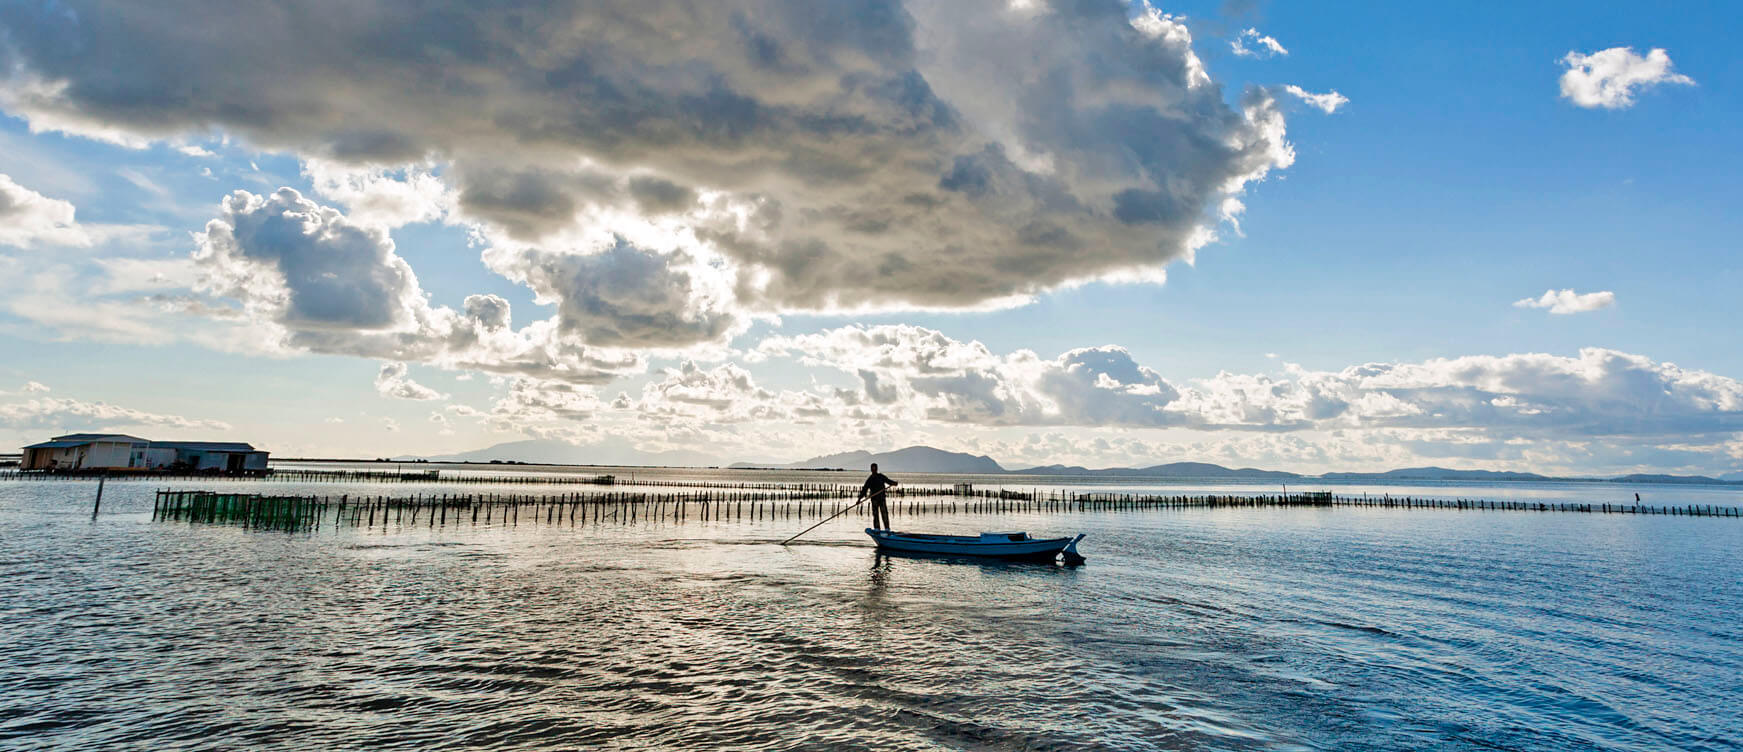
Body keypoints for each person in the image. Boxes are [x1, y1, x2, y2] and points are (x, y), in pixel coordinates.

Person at [858, 463, 898, 531]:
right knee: (875, 514)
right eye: (873, 469)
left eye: (875, 469)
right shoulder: (870, 479)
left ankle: (887, 528)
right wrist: (859, 499)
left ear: (877, 469)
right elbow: (864, 489)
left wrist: (894, 483)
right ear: (871, 470)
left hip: (882, 498)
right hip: (874, 499)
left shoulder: (881, 476)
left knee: (884, 513)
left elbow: (888, 481)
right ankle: (877, 528)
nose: (874, 470)